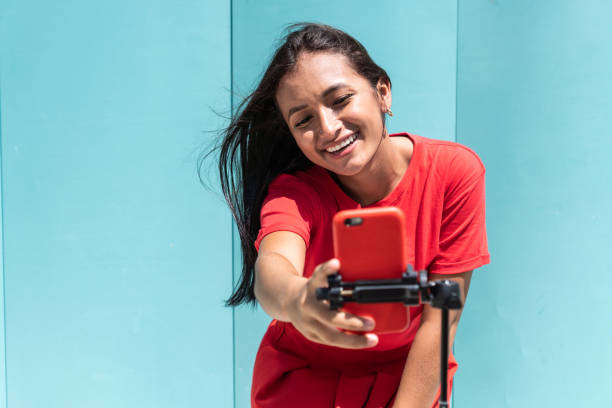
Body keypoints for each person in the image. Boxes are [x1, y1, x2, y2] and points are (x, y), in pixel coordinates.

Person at [216, 23, 489, 408]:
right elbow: (273, 266)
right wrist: (296, 298)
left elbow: (441, 322)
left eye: (340, 99)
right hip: (302, 383)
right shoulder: (295, 192)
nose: (328, 128)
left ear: (382, 92)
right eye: (303, 120)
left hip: (410, 380)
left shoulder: (454, 174)